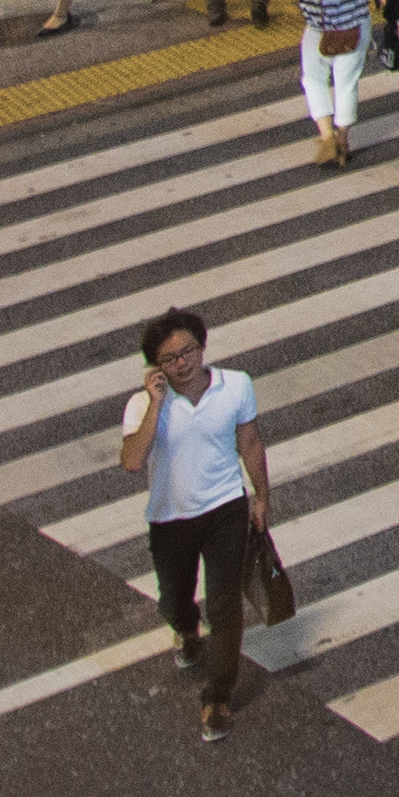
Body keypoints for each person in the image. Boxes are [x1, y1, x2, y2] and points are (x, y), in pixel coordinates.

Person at [112, 304, 278, 737]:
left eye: (188, 351)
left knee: (225, 607)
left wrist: (261, 496)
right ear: (155, 367)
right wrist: (155, 402)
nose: (182, 363)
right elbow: (132, 461)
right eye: (170, 358)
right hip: (170, 519)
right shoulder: (141, 406)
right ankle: (185, 628)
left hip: (225, 509)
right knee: (173, 600)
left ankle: (217, 697)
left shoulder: (236, 386)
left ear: (202, 348)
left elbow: (250, 442)